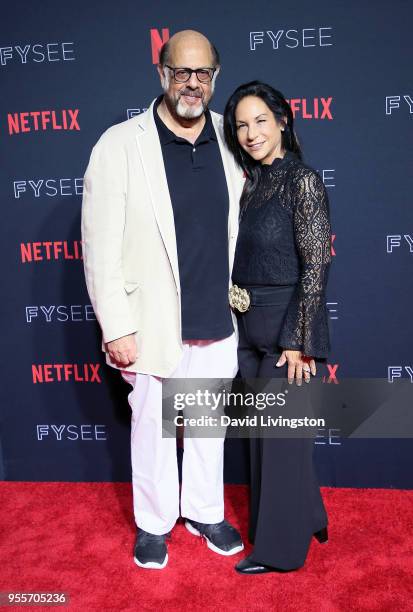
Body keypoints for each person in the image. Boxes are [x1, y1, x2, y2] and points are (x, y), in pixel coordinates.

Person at [81, 30, 245, 570]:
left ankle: (202, 510)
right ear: (161, 74)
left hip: (216, 317)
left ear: (215, 78)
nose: (191, 84)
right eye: (181, 72)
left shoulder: (231, 136)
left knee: (206, 426)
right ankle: (154, 523)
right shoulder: (119, 144)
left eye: (202, 74)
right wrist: (116, 326)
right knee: (152, 431)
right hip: (150, 322)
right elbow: (99, 245)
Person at [223, 81, 332, 574]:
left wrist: (300, 340)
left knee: (281, 439)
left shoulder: (301, 180)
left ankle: (280, 553)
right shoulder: (250, 183)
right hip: (246, 327)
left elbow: (315, 266)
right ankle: (309, 514)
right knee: (268, 441)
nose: (251, 133)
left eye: (260, 120)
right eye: (242, 125)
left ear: (283, 120)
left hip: (287, 324)